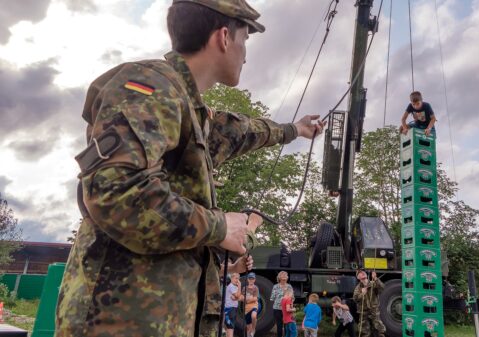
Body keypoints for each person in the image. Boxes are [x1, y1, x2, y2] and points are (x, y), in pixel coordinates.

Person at [55, 0, 325, 336]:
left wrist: (295, 129)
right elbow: (117, 192)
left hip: (159, 318)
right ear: (224, 37)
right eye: (245, 39)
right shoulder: (148, 87)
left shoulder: (189, 109)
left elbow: (239, 132)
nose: (245, 53)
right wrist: (220, 227)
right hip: (120, 320)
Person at [353, 270, 385, 337]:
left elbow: (382, 288)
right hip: (364, 311)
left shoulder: (373, 283)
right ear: (358, 278)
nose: (362, 273)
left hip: (374, 310)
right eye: (360, 273)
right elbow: (355, 299)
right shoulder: (358, 288)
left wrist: (376, 278)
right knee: (364, 331)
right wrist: (362, 294)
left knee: (379, 330)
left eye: (363, 272)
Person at [271, 271, 295, 337]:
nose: (284, 276)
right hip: (277, 309)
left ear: (287, 277)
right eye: (283, 275)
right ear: (279, 277)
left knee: (287, 325)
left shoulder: (289, 286)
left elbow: (292, 298)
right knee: (279, 326)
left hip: (287, 310)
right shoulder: (275, 286)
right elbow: (272, 298)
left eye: (286, 275)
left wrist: (291, 307)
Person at [225, 273, 243, 337]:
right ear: (232, 278)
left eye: (238, 279)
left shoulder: (234, 287)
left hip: (233, 309)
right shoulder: (231, 286)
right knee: (230, 327)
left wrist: (237, 297)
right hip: (230, 309)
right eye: (236, 278)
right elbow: (238, 296)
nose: (237, 280)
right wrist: (240, 286)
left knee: (230, 327)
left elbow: (241, 298)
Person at [243, 272, 260, 337]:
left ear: (254, 280)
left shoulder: (256, 288)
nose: (251, 280)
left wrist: (248, 299)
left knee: (253, 316)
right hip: (247, 308)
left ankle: (253, 329)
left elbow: (255, 298)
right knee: (248, 328)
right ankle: (249, 333)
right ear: (247, 279)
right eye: (250, 279)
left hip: (254, 305)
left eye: (252, 279)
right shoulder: (244, 288)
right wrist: (248, 299)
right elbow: (243, 298)